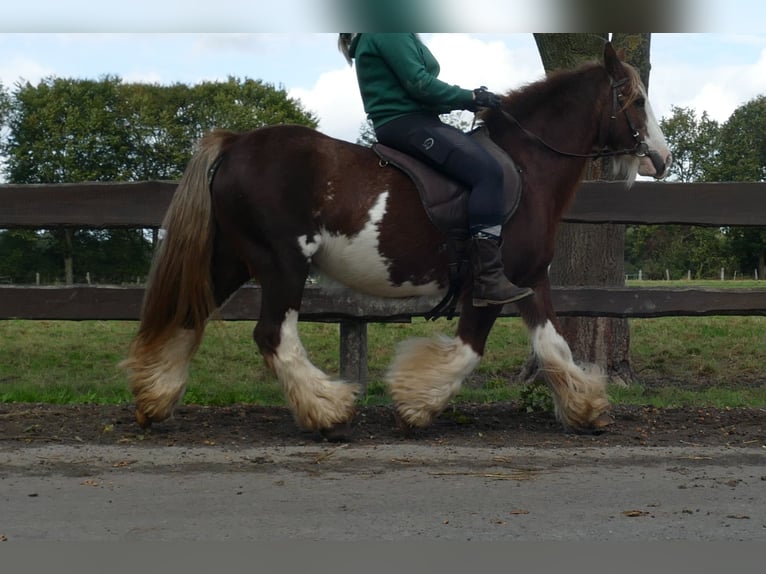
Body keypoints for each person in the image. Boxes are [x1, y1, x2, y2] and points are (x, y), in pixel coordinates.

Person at [338, 33, 533, 307]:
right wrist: (469, 96)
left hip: (413, 120)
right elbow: (420, 85)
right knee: (487, 172)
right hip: (408, 123)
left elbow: (423, 93)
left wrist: (472, 101)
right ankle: (488, 276)